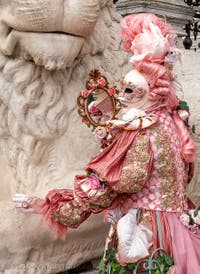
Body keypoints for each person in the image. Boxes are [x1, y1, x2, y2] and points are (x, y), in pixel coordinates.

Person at [13, 14, 200, 273]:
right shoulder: (173, 122)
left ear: (150, 92)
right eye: (122, 88)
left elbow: (109, 185)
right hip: (178, 227)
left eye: (129, 90)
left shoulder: (140, 130)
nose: (120, 97)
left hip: (148, 233)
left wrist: (47, 205)